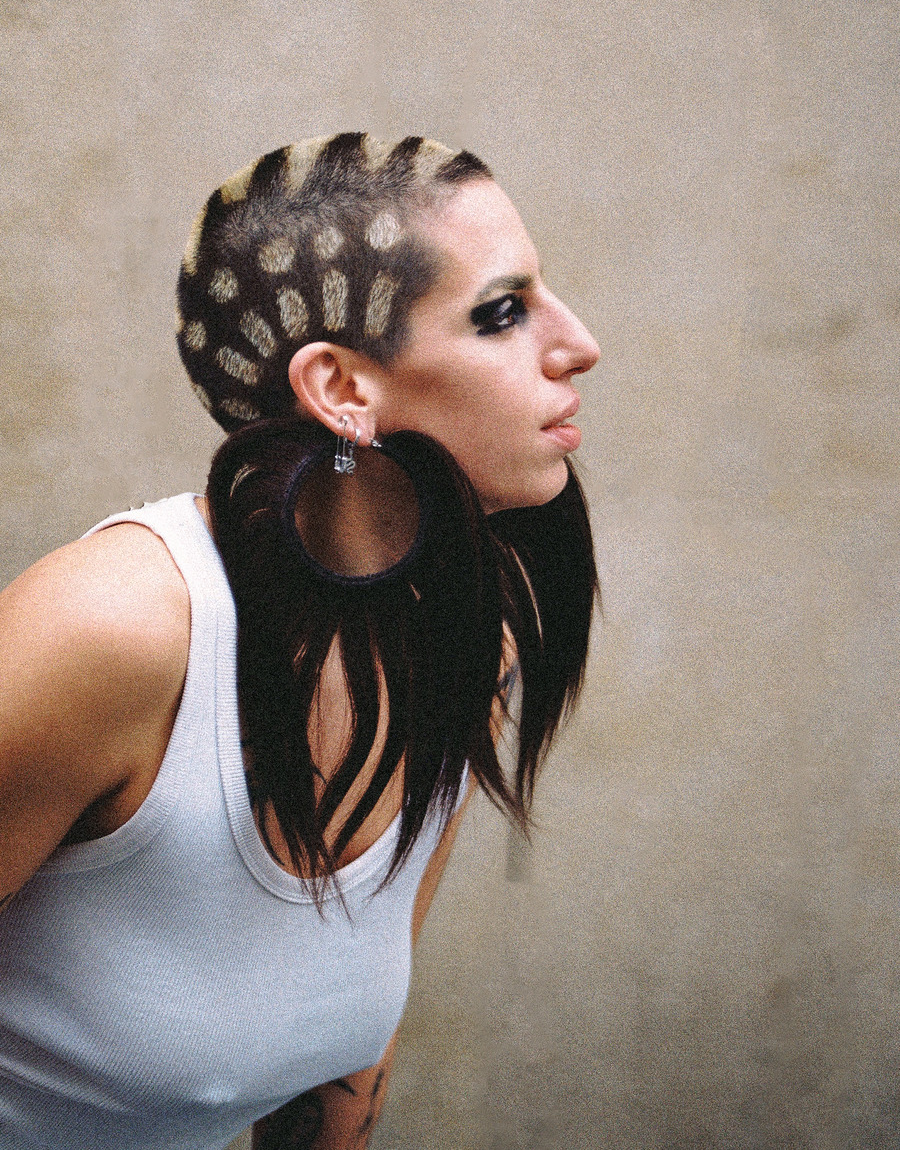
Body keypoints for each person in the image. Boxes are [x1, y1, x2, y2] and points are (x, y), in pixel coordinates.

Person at [0, 132, 600, 1149]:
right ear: (343, 389)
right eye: (503, 312)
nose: (579, 342)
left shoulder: (467, 642)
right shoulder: (114, 632)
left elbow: (341, 1062)